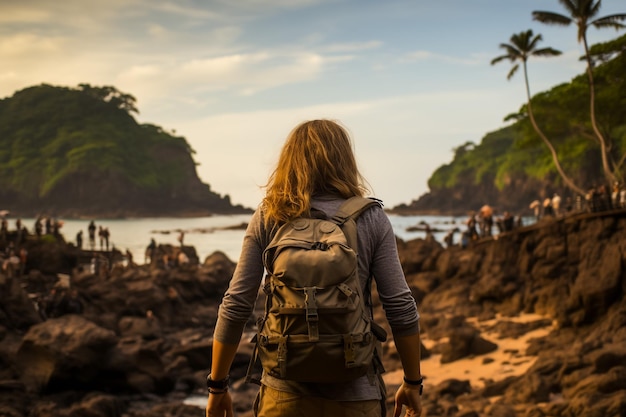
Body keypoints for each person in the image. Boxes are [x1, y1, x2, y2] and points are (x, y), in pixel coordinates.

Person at [206, 120, 422, 417]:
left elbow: (236, 303)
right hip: (356, 396)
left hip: (283, 396)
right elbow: (400, 305)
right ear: (345, 160)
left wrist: (217, 386)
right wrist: (412, 382)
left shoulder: (270, 215)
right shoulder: (371, 218)